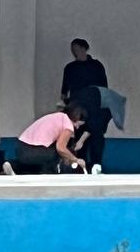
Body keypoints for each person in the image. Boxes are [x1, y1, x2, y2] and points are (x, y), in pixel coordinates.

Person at [62, 39, 111, 172]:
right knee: (78, 134)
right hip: (77, 108)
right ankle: (80, 165)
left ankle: (96, 164)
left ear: (84, 48)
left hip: (94, 106)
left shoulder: (96, 66)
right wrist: (67, 105)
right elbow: (64, 91)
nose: (74, 51)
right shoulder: (70, 68)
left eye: (76, 48)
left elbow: (104, 87)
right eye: (73, 49)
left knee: (96, 134)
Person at [16, 104, 87, 174]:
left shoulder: (58, 116)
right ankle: (50, 175)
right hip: (32, 152)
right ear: (76, 119)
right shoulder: (68, 125)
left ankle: (15, 167)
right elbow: (61, 148)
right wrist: (76, 159)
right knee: (57, 153)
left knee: (50, 154)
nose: (77, 127)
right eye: (78, 124)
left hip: (20, 147)